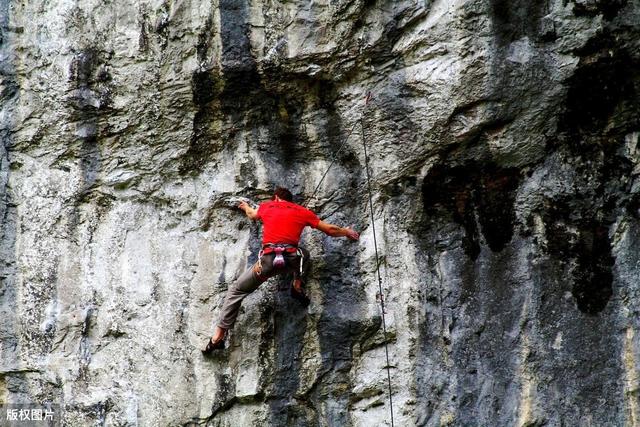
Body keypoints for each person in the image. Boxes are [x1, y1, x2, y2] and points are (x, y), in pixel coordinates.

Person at [203, 187, 359, 353]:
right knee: (304, 254)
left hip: (267, 263)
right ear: (290, 200)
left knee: (236, 290)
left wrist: (246, 207)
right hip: (292, 259)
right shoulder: (302, 211)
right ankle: (297, 285)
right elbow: (330, 230)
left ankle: (217, 337)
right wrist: (347, 232)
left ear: (276, 198)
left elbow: (252, 215)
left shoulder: (267, 206)